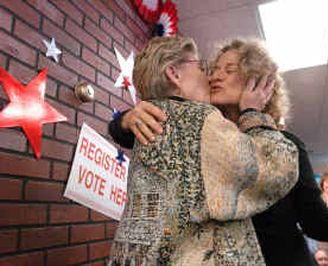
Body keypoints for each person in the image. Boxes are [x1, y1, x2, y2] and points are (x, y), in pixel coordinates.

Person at [109, 38, 328, 266]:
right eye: (213, 69)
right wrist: (126, 118)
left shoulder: (286, 145)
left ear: (259, 82)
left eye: (229, 70)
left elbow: (317, 224)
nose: (215, 76)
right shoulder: (198, 132)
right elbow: (142, 131)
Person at [108, 36, 300, 265]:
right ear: (174, 74)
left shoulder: (151, 123)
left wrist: (122, 120)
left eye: (229, 70)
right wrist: (252, 113)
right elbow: (278, 168)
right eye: (203, 67)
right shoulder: (199, 120)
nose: (211, 76)